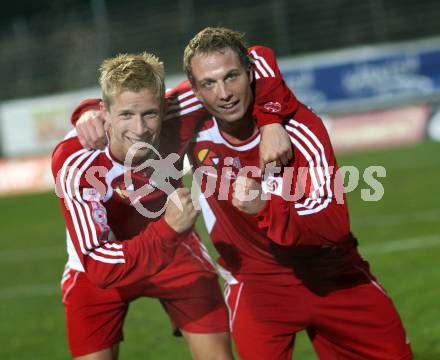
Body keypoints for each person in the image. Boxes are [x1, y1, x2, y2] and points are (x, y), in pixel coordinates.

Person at [72, 27, 412, 359]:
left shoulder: (301, 128)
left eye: (231, 77)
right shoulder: (191, 123)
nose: (223, 93)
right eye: (208, 83)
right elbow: (130, 107)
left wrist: (271, 131)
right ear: (195, 90)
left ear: (249, 75)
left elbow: (331, 224)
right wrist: (88, 111)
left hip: (335, 276)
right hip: (256, 285)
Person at [52, 52, 234, 360]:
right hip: (101, 265)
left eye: (149, 114)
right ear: (104, 113)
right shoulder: (76, 160)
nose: (139, 129)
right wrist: (168, 229)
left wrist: (271, 123)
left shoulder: (179, 111)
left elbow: (251, 64)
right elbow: (98, 264)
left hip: (176, 255)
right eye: (125, 115)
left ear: (164, 108)